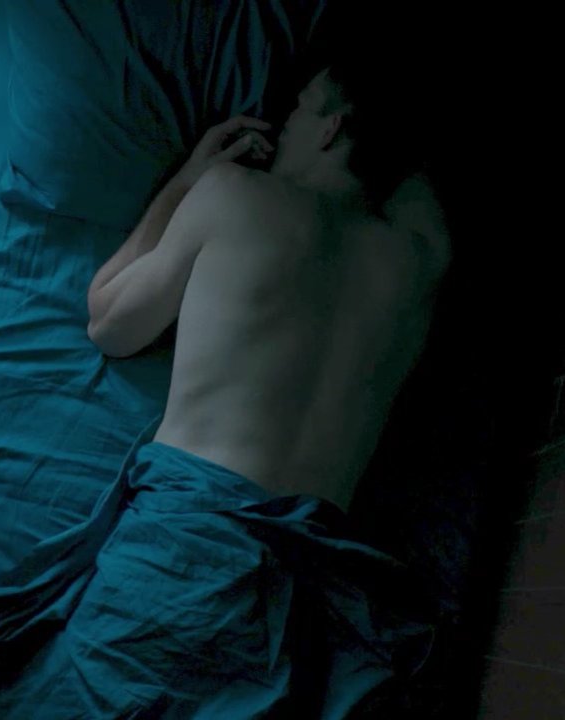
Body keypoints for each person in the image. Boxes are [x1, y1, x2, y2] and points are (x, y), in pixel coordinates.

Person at [87, 63, 452, 511]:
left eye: (299, 107)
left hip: (196, 519)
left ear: (331, 129)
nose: (284, 124)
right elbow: (419, 174)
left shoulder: (234, 194)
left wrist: (186, 179)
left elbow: (108, 327)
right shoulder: (425, 255)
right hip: (318, 542)